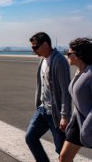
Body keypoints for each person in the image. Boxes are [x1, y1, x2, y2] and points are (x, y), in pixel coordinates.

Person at [26, 32, 71, 162]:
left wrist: (64, 115)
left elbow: (65, 90)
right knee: (30, 137)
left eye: (35, 47)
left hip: (55, 113)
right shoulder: (42, 60)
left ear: (45, 44)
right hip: (43, 109)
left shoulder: (59, 61)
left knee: (61, 149)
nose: (33, 51)